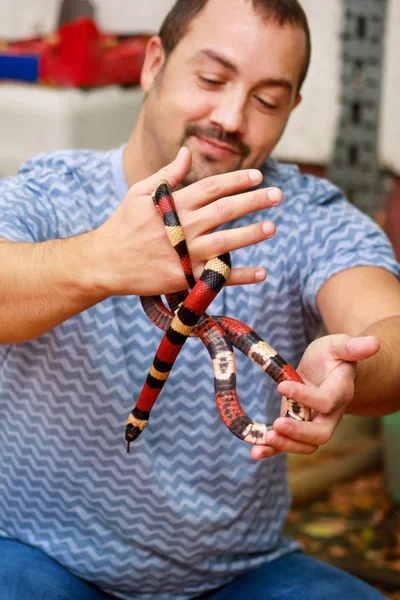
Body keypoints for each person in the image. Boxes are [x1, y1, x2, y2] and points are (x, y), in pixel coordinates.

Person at [0, 0, 399, 599]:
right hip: (38, 555)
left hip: (237, 573)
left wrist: (350, 369)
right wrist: (100, 261)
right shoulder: (56, 192)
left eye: (267, 100)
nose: (232, 116)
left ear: (292, 109)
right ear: (153, 63)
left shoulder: (308, 217)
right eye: (211, 79)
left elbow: (386, 323)